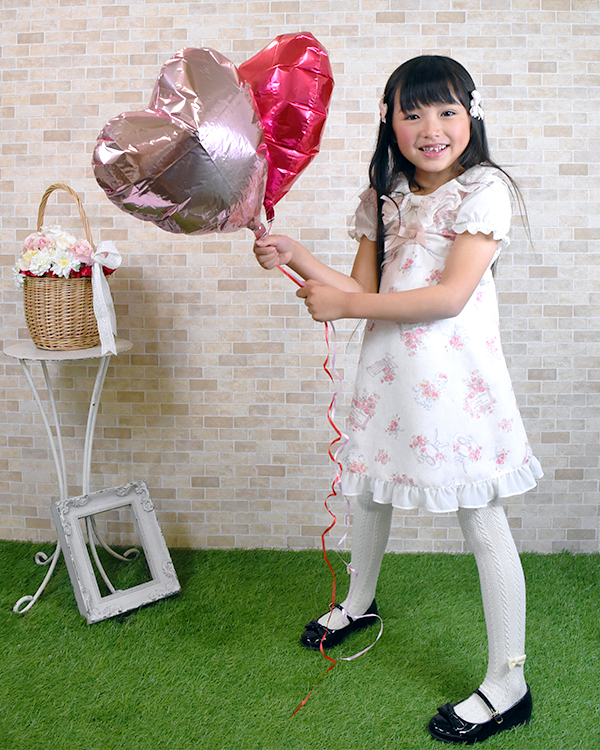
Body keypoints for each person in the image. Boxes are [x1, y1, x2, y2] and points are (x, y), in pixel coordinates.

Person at [253, 55, 542, 745]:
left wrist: (347, 306)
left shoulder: (485, 190)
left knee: (482, 516)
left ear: (471, 115)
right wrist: (294, 253)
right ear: (389, 121)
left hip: (457, 386)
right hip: (391, 377)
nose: (430, 128)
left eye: (445, 111)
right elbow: (360, 287)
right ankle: (360, 602)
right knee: (370, 491)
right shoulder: (383, 196)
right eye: (412, 113)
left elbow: (448, 296)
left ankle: (509, 683)